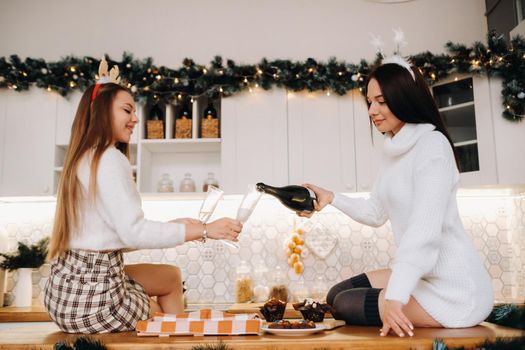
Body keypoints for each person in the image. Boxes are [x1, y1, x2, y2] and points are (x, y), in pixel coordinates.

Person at [299, 59, 493, 337]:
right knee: (335, 293)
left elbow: (424, 233)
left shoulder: (432, 146)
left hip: (456, 290)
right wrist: (331, 197)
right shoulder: (393, 149)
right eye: (369, 102)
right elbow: (376, 212)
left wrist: (395, 298)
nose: (372, 111)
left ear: (404, 99)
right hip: (424, 277)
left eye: (381, 101)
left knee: (344, 304)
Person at [44, 61, 242, 334]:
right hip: (95, 301)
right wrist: (205, 230)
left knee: (170, 277)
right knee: (159, 316)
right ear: (101, 112)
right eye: (126, 110)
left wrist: (178, 225)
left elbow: (108, 238)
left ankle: (179, 335)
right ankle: (180, 340)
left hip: (64, 297)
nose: (135, 119)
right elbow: (134, 232)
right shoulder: (109, 158)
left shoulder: (82, 158)